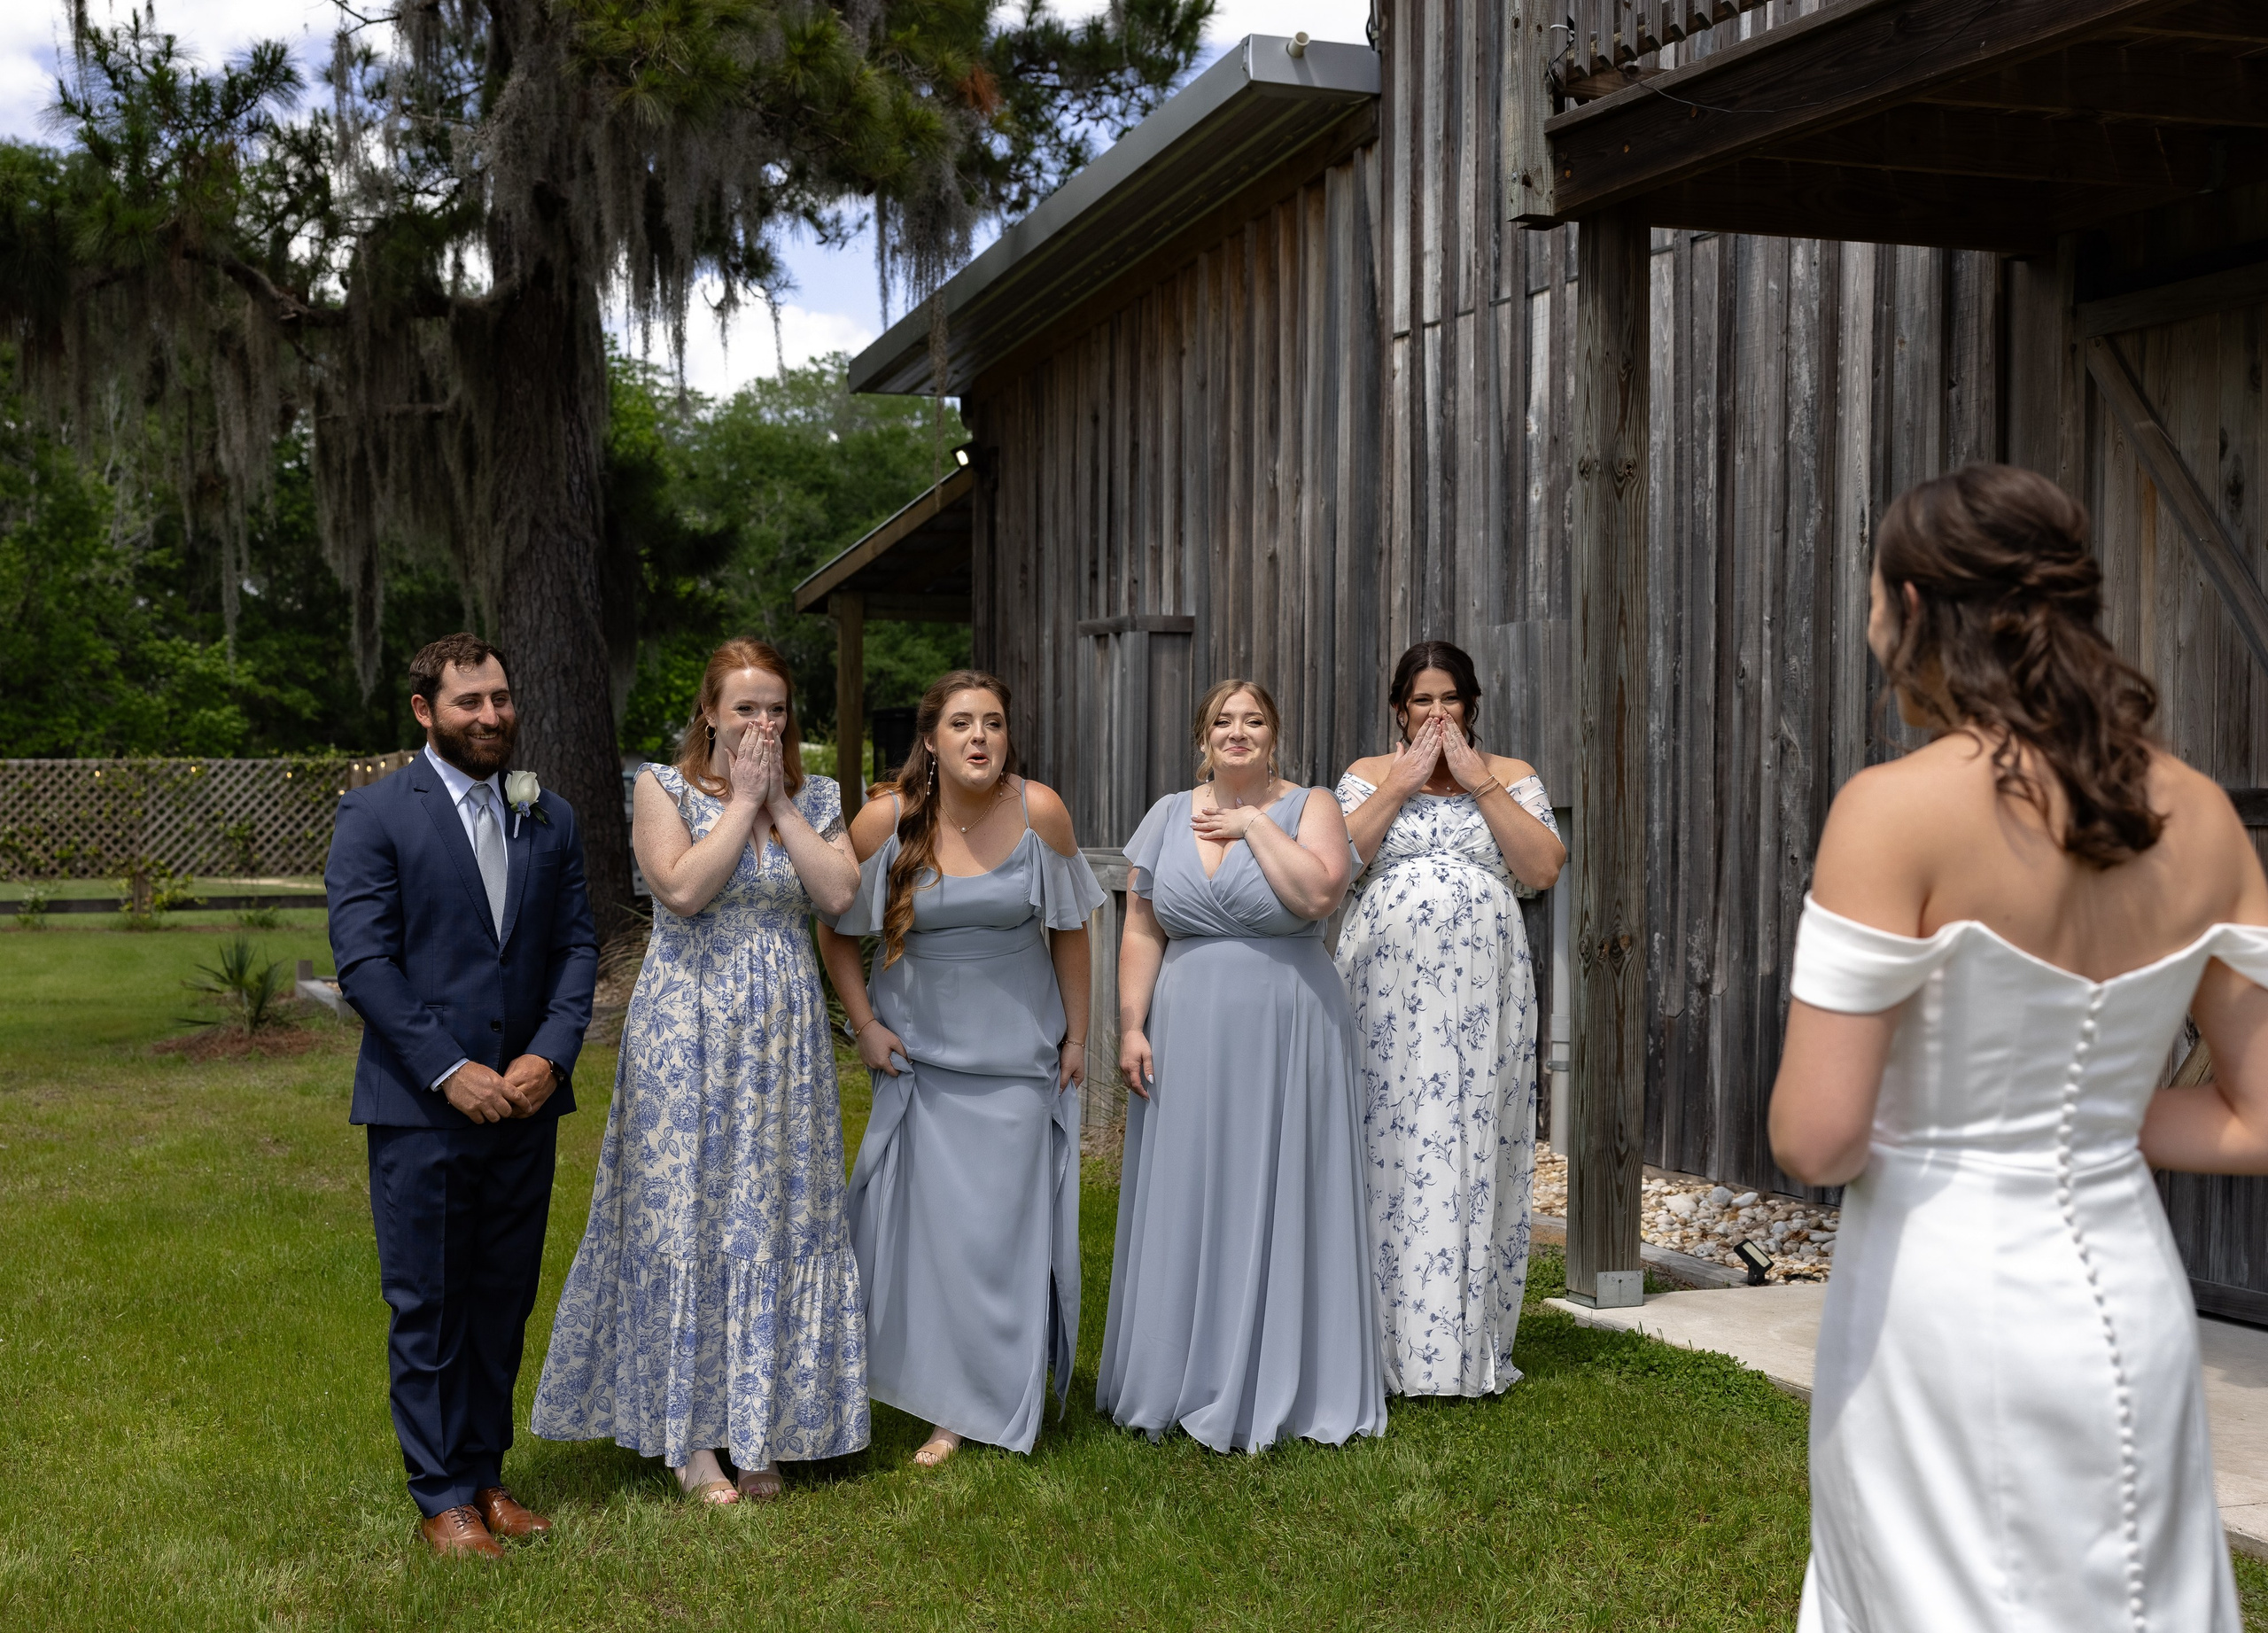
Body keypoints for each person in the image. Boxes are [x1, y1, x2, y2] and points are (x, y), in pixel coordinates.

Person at [1768, 463, 2268, 1632]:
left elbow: (1818, 1135)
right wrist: (2076, 1119)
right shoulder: (2204, 816)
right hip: (2129, 1287)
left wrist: (1996, 1121)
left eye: (1873, 599)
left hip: (1941, 1300)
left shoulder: (1893, 809)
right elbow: (2259, 1114)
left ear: (1911, 603)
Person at [531, 640, 866, 1505]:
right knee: (691, 1217)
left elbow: (839, 898)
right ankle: (690, 1442)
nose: (763, 722)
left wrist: (780, 805)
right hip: (689, 1035)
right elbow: (681, 889)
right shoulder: (662, 789)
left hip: (784, 1041)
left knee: (778, 1216)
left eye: (776, 708)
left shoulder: (819, 797)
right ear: (709, 713)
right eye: (745, 707)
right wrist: (740, 801)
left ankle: (763, 1430)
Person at [327, 634, 597, 1559]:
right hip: (420, 1108)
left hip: (526, 1105)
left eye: (501, 699)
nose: (490, 717)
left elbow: (575, 949)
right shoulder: (374, 815)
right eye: (468, 702)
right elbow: (365, 962)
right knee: (429, 1303)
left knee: (500, 1298)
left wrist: (549, 1057)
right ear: (423, 712)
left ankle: (487, 1475)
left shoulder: (549, 815)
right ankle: (439, 1494)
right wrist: (451, 1069)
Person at [817, 671, 1103, 1466]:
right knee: (925, 1238)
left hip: (1018, 1059)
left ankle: (985, 1399)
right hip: (918, 1062)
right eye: (963, 724)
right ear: (932, 739)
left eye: (995, 723)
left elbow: (1072, 927)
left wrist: (1078, 1037)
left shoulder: (1038, 810)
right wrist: (864, 1025)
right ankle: (934, 1397)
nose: (981, 737)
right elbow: (835, 929)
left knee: (998, 1237)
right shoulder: (888, 817)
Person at [1097, 678, 1386, 1453]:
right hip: (1185, 1027)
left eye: (1253, 720)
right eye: (1223, 720)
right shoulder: (1164, 815)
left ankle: (1283, 1380)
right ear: (1202, 737)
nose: (1237, 731)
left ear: (1273, 735)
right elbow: (1141, 929)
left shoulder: (1310, 805)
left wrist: (1255, 822)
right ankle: (1174, 1375)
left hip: (1288, 1025)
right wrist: (1131, 1024)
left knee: (1283, 1187)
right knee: (1190, 1188)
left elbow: (1319, 891)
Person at [1334, 641, 1565, 1397]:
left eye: (1450, 699)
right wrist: (1398, 786)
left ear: (1471, 705)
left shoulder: (1515, 776)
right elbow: (1335, 870)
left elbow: (1541, 869)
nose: (1437, 714)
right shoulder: (1367, 777)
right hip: (1384, 1001)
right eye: (1421, 700)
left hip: (1481, 1003)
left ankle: (1465, 1346)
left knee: (1471, 1145)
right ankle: (1376, 1345)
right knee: (1389, 1147)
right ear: (1399, 709)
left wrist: (1480, 783)